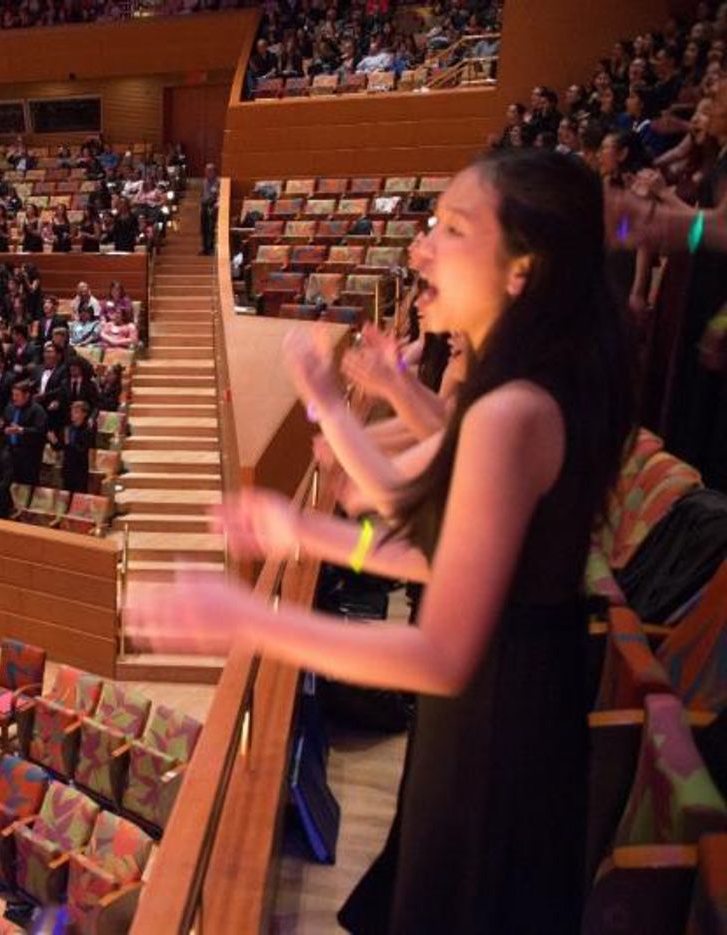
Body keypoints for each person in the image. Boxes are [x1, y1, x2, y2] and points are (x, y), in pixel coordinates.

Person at [131, 148, 635, 933]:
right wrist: (306, 531)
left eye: (453, 229)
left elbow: (441, 651)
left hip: (497, 725)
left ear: (521, 271)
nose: (422, 248)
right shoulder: (528, 392)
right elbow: (440, 553)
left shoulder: (513, 411)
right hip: (503, 709)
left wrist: (249, 618)